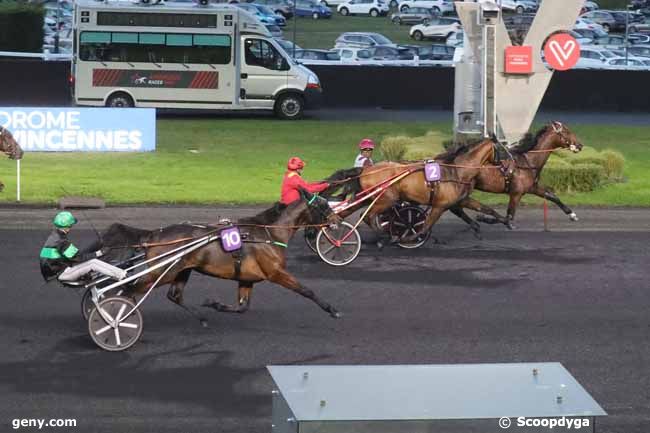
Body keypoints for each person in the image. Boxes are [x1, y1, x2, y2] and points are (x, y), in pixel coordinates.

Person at [40, 211, 127, 283]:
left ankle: (121, 274)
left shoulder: (54, 236)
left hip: (56, 271)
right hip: (63, 274)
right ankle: (123, 276)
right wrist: (100, 253)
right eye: (71, 225)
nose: (71, 228)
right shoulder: (62, 242)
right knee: (93, 264)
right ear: (67, 227)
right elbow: (79, 257)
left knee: (93, 261)